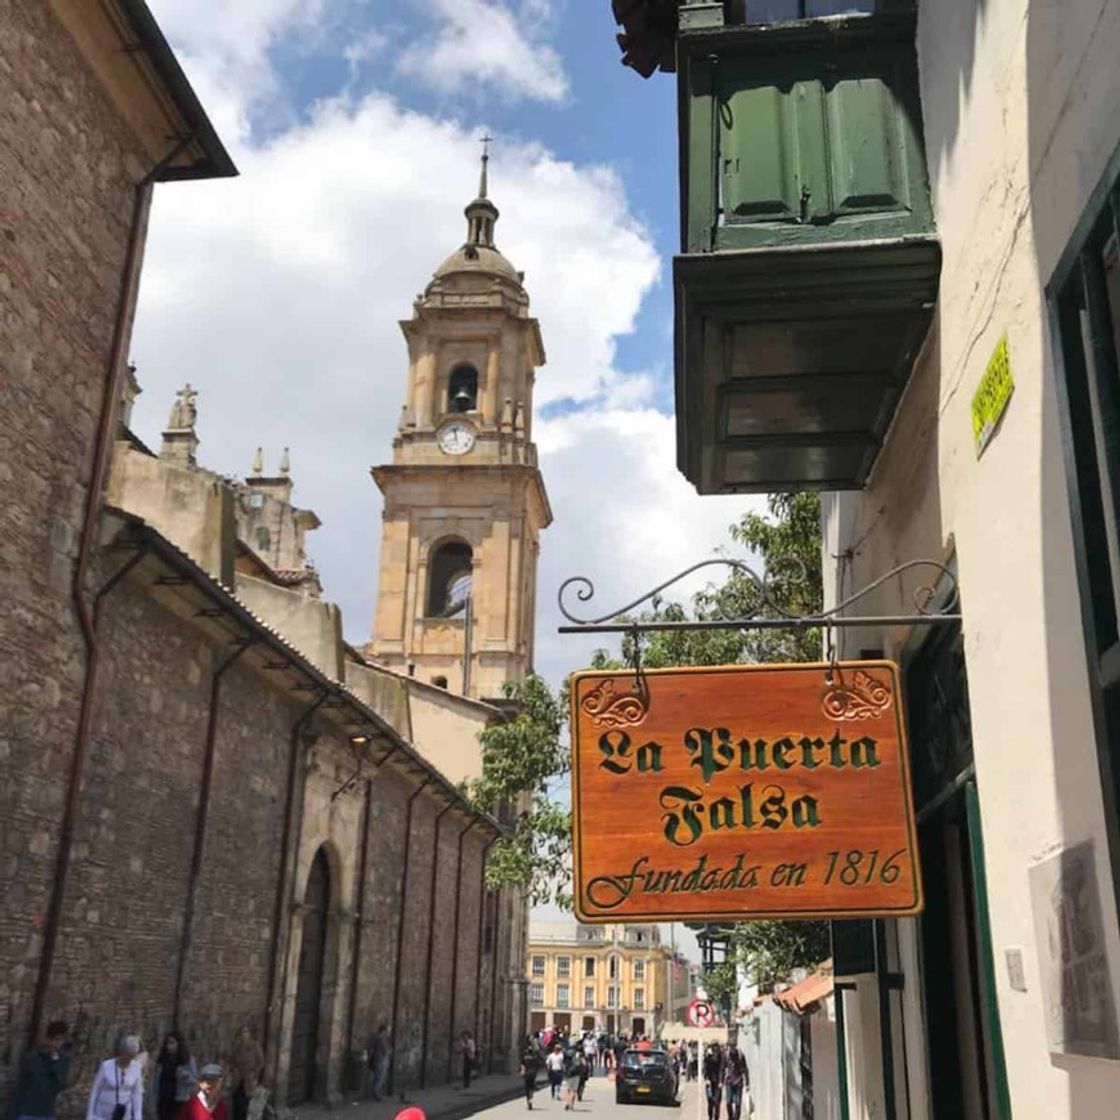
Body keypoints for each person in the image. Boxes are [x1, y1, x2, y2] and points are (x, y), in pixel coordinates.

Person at [12, 1021, 71, 1120]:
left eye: (59, 1040)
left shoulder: (63, 1060)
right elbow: (21, 1087)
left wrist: (54, 1063)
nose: (55, 1044)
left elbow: (60, 1085)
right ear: (47, 1039)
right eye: (53, 1039)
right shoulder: (32, 1058)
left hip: (46, 1112)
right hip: (27, 1111)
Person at [87, 1036, 144, 1120]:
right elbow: (95, 1090)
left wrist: (137, 1116)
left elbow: (137, 1094)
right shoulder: (106, 1066)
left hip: (123, 1114)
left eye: (132, 1056)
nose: (129, 1059)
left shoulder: (136, 1067)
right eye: (128, 1055)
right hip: (103, 1113)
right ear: (122, 1052)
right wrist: (90, 1114)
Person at [152, 1034, 197, 1120]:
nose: (169, 1046)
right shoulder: (163, 1060)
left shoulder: (187, 1059)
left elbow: (194, 1080)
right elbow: (156, 1081)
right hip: (163, 1100)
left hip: (179, 1099)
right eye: (167, 1043)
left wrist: (186, 1076)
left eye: (172, 1043)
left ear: (178, 1044)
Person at [229, 1029, 262, 1120]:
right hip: (238, 1078)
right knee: (236, 1102)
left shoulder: (254, 1045)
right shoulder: (236, 1046)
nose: (244, 1035)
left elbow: (260, 1061)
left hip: (249, 1078)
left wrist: (255, 1074)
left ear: (249, 1034)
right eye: (242, 1033)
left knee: (246, 1103)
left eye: (246, 1032)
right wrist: (234, 1070)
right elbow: (231, 1060)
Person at [723, 1044, 749, 1120]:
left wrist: (747, 1083)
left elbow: (745, 1069)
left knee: (738, 1102)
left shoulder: (740, 1055)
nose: (732, 1048)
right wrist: (721, 1081)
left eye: (733, 1047)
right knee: (728, 1102)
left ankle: (736, 1118)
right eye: (730, 1047)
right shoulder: (726, 1055)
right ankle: (730, 1117)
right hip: (729, 1082)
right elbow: (722, 1068)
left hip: (738, 1082)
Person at [367, 1024, 390, 1101]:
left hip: (376, 1059)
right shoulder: (381, 1039)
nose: (388, 1032)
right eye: (387, 1030)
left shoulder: (375, 1038)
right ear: (384, 1031)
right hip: (381, 1060)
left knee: (377, 1077)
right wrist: (390, 1050)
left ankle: (374, 1092)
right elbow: (385, 1050)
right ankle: (376, 1093)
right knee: (379, 1077)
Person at [519, 1037, 542, 1110]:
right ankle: (530, 1099)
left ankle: (528, 1099)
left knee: (527, 1087)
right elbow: (539, 1064)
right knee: (531, 1087)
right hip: (533, 1073)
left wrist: (522, 1071)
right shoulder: (535, 1055)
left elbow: (522, 1064)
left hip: (527, 1073)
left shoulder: (524, 1055)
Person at [703, 1044, 724, 1120]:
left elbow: (722, 1069)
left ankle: (716, 1118)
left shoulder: (721, 1058)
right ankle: (710, 1117)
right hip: (710, 1082)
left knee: (717, 1103)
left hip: (718, 1083)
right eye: (713, 1050)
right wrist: (706, 1079)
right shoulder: (708, 1058)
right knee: (710, 1101)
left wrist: (721, 1081)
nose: (715, 1053)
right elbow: (705, 1068)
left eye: (716, 1050)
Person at [562, 1048, 581, 1112]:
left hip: (569, 1075)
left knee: (568, 1090)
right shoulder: (577, 1056)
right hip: (576, 1075)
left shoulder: (566, 1057)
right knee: (574, 1091)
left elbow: (563, 1065)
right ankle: (572, 1105)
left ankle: (567, 1103)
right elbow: (580, 1065)